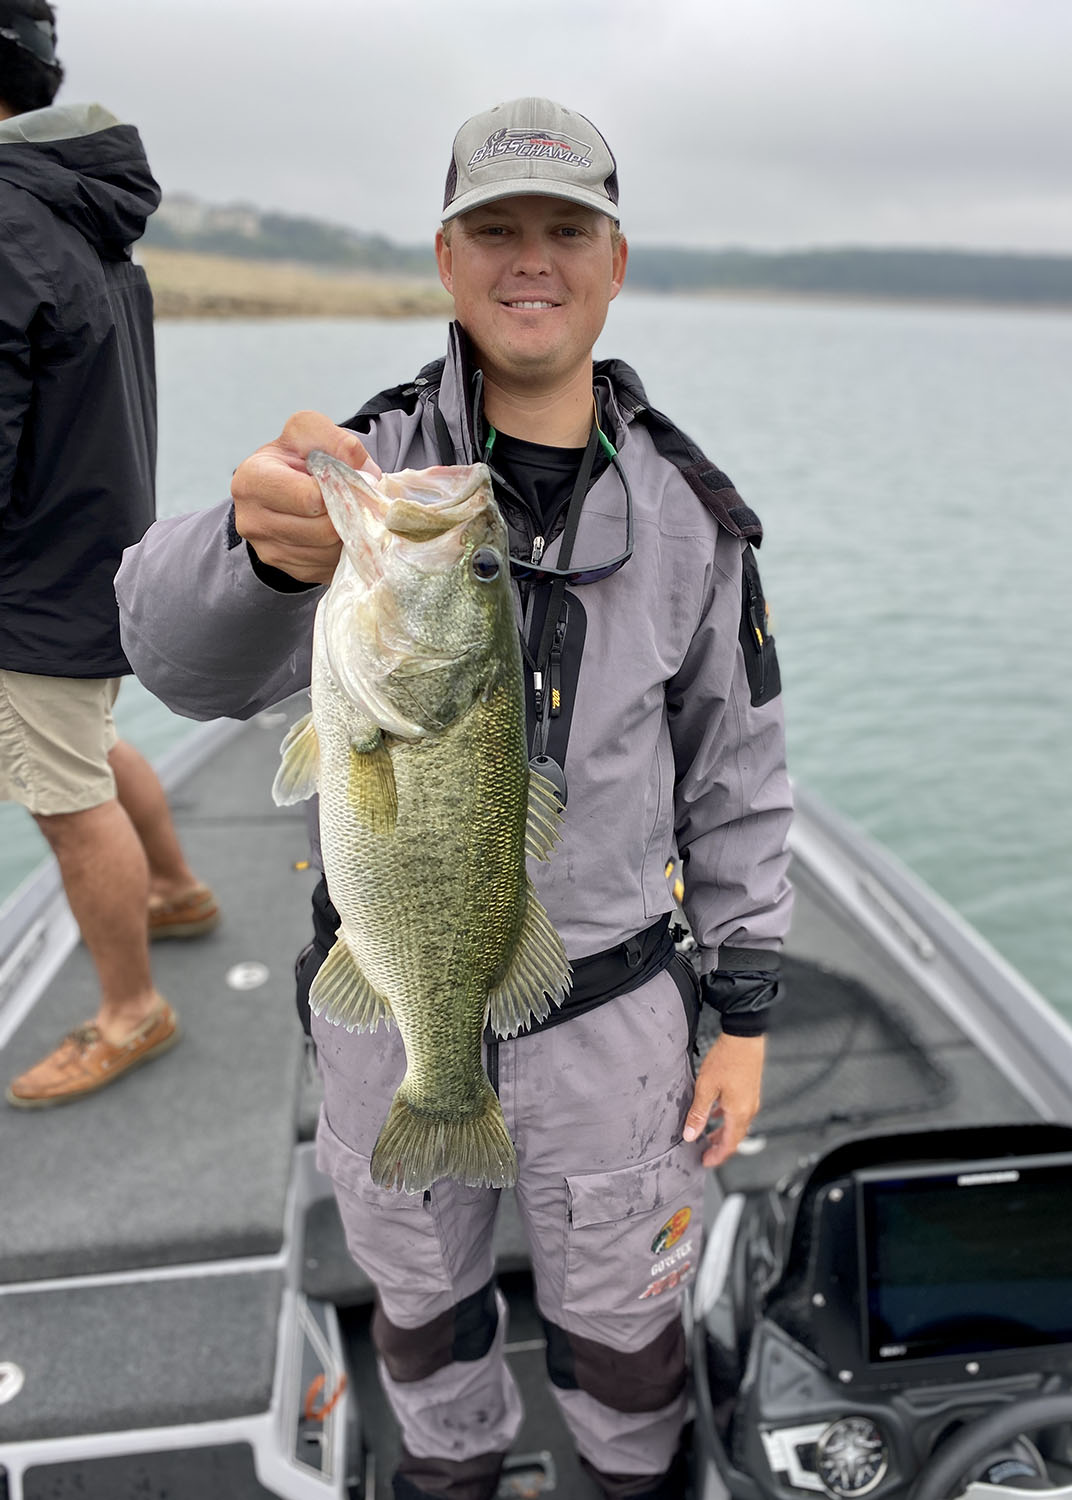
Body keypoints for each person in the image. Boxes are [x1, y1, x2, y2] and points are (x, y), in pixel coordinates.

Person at [116, 98, 792, 1500]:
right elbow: (175, 660)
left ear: (615, 264)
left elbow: (738, 777)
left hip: (611, 1016)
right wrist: (255, 551)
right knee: (417, 1292)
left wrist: (743, 1019)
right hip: (388, 996)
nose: (529, 259)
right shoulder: (359, 478)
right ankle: (450, 1467)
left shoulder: (693, 519)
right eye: (496, 229)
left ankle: (633, 1471)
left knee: (624, 1308)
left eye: (566, 230)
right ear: (445, 256)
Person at [0, 0, 219, 1110]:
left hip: (25, 576)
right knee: (85, 752)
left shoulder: (2, 218)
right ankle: (175, 889)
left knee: (62, 795)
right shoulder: (78, 208)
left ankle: (131, 1010)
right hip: (94, 554)